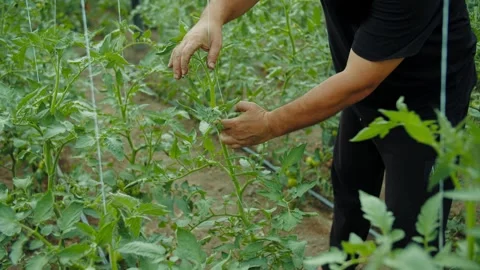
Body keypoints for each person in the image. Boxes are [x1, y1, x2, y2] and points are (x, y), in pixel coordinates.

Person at [169, 0, 477, 268]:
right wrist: (213, 15)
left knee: (414, 237)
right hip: (359, 85)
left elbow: (361, 81)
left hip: (426, 99)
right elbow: (357, 84)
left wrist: (270, 124)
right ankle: (338, 264)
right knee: (350, 186)